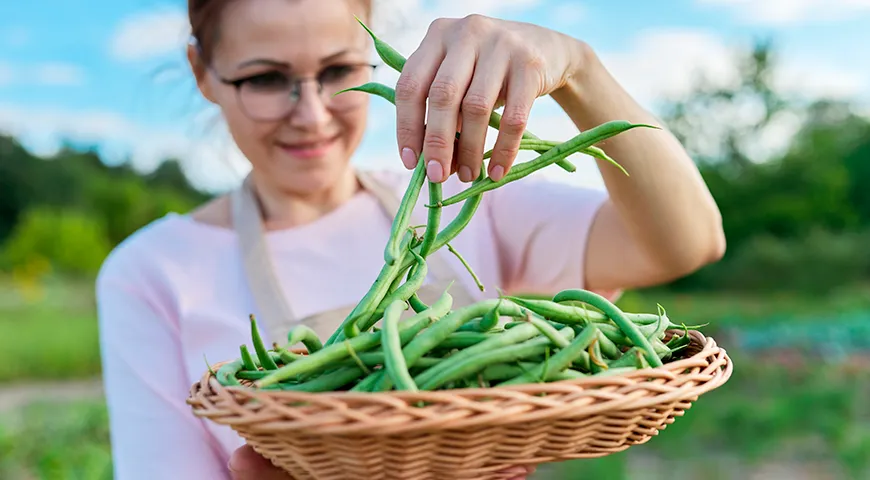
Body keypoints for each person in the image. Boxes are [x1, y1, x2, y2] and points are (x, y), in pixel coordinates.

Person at [95, 0, 726, 478]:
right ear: (202, 73)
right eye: (264, 78)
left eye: (339, 69)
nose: (311, 113)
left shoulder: (468, 191)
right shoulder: (149, 271)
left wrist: (580, 70)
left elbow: (687, 243)